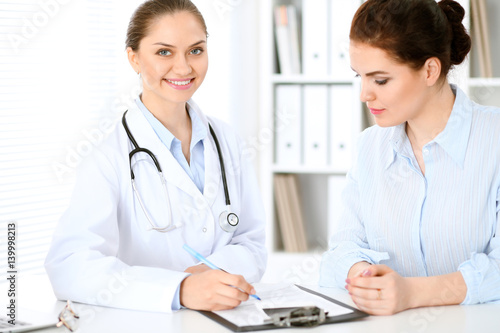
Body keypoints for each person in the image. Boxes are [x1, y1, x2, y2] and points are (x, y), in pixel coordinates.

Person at [45, 0, 266, 313]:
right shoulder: (107, 157)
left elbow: (251, 242)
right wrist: (179, 289)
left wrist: (208, 274)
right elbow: (70, 266)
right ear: (133, 58)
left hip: (224, 315)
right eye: (164, 52)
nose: (184, 67)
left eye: (196, 50)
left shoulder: (226, 139)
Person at [320, 0, 500, 315]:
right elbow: (339, 252)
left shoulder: (493, 139)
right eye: (358, 77)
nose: (365, 94)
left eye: (380, 80)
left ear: (430, 70)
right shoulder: (369, 147)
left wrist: (412, 292)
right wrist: (363, 275)